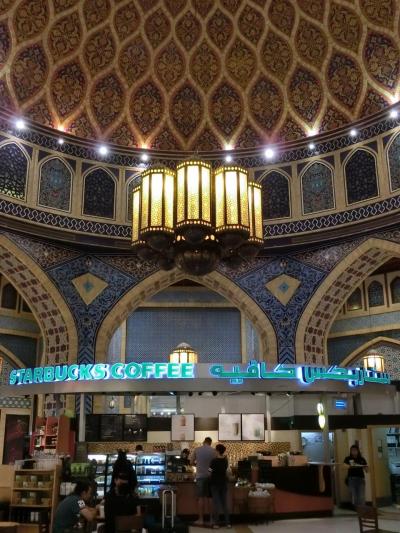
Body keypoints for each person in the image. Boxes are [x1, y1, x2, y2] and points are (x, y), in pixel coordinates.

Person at [191, 437, 216, 526]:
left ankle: (201, 520)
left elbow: (191, 462)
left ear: (204, 442)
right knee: (210, 499)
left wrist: (198, 465)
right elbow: (215, 464)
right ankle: (211, 520)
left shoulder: (197, 449)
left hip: (200, 477)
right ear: (210, 443)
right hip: (211, 477)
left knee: (201, 498)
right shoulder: (214, 451)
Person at [209, 444, 231, 529]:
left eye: (215, 450)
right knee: (224, 503)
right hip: (223, 483)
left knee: (216, 504)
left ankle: (216, 523)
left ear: (217, 451)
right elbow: (226, 471)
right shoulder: (225, 460)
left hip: (215, 484)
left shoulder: (213, 461)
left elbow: (209, 471)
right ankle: (227, 523)